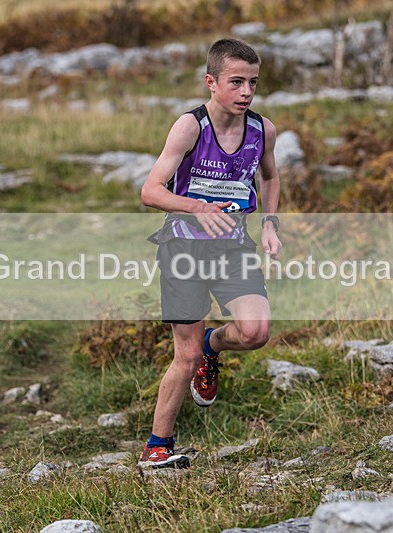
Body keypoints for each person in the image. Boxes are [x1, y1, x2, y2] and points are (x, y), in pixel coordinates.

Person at [137, 38, 282, 468]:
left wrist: (270, 223)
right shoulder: (190, 127)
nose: (246, 92)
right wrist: (198, 207)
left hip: (233, 247)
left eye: (253, 82)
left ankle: (213, 345)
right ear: (211, 82)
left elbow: (270, 177)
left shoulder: (262, 130)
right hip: (183, 247)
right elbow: (150, 191)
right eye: (236, 82)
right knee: (186, 357)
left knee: (256, 332)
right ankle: (157, 447)